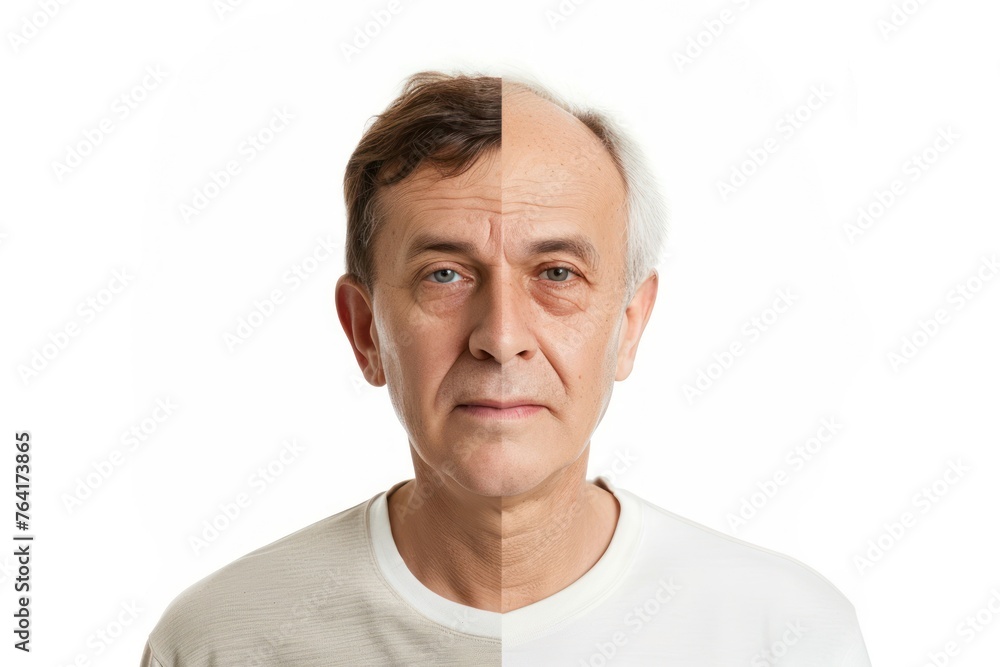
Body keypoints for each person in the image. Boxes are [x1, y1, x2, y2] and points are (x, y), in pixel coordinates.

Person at [140, 71, 872, 666]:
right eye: (445, 275)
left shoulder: (785, 637)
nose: (500, 336)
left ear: (628, 323)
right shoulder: (219, 643)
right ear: (365, 330)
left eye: (556, 272)